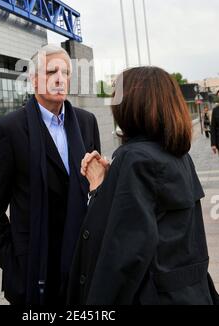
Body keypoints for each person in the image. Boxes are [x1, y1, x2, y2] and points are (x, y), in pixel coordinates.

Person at [67, 66, 219, 305]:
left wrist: (97, 188)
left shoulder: (133, 158)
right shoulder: (180, 156)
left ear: (133, 104)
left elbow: (121, 256)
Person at [0, 44, 101, 306]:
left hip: (82, 268)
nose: (60, 78)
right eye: (51, 71)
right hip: (34, 274)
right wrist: (16, 265)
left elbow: (96, 191)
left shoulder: (86, 122)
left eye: (66, 72)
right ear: (34, 80)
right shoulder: (9, 129)